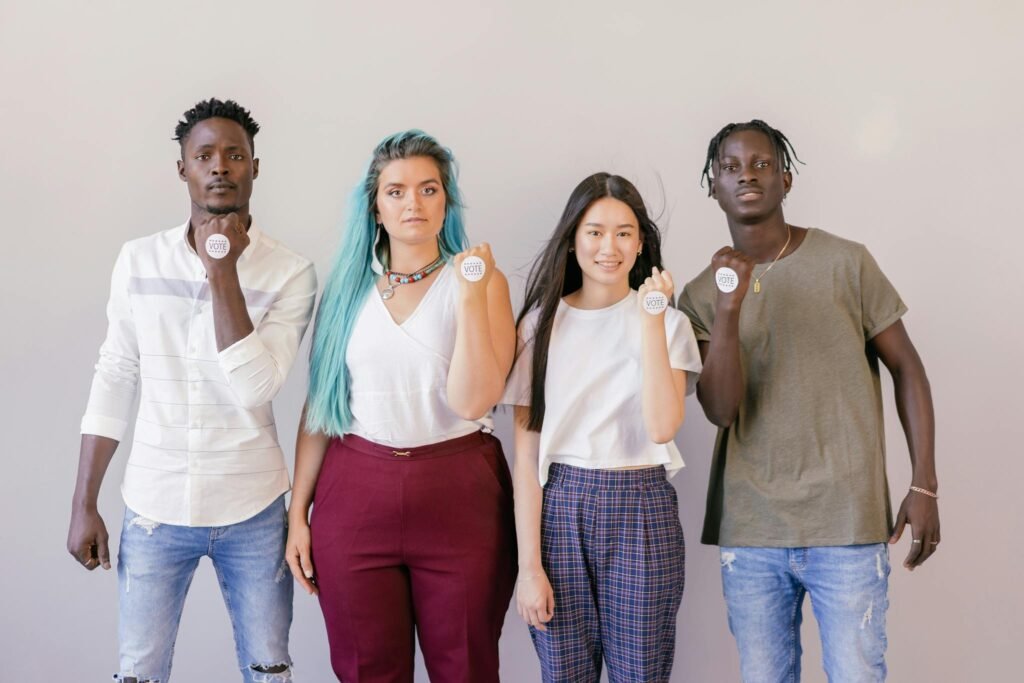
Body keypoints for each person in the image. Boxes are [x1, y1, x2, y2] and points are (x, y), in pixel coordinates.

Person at [678, 119, 940, 682]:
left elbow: (907, 368)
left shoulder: (846, 262)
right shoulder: (700, 295)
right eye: (730, 167)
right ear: (713, 186)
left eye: (762, 164)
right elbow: (720, 410)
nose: (747, 175)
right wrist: (729, 306)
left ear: (786, 179)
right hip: (752, 531)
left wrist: (924, 485)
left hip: (846, 522)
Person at [66, 98, 317, 683]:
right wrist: (84, 502)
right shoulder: (138, 260)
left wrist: (220, 268)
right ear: (182, 169)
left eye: (234, 155)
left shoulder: (291, 272)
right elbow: (116, 373)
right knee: (139, 672)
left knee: (269, 670)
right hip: (154, 505)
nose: (220, 166)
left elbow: (257, 384)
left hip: (253, 507)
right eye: (204, 156)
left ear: (256, 166)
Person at [285, 130, 517, 682]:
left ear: (447, 201)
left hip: (460, 493)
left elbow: (475, 399)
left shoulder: (483, 283)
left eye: (428, 189)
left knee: (466, 668)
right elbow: (321, 407)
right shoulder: (345, 290)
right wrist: (298, 514)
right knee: (367, 670)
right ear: (375, 206)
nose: (413, 202)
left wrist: (468, 294)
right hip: (355, 494)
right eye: (396, 191)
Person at [504, 173, 702, 682]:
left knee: (641, 673)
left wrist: (651, 319)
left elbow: (662, 426)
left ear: (640, 244)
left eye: (623, 233)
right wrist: (529, 567)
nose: (608, 247)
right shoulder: (538, 326)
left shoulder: (669, 324)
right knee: (564, 673)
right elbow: (525, 457)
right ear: (573, 240)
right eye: (594, 232)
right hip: (560, 507)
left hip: (642, 505)